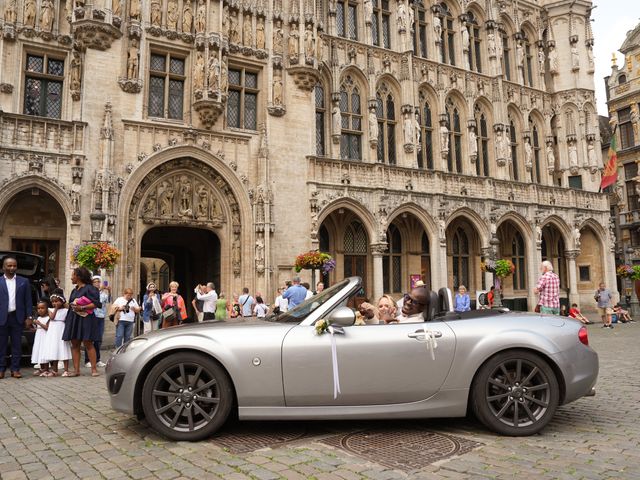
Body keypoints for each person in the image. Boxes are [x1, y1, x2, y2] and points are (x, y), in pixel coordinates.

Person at [61, 267, 101, 377]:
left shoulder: (90, 289)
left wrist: (82, 307)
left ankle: (93, 369)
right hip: (74, 318)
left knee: (88, 342)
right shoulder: (74, 290)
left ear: (78, 276)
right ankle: (76, 370)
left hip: (86, 318)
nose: (71, 278)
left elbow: (96, 303)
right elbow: (71, 304)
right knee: (75, 344)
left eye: (73, 275)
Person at [0, 256, 33, 379]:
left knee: (17, 345)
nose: (12, 267)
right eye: (9, 265)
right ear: (4, 267)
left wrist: (29, 316)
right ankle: (1, 369)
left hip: (17, 317)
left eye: (14, 265)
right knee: (1, 345)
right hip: (2, 318)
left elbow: (28, 301)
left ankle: (15, 369)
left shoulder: (23, 281)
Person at [43, 293, 71, 376]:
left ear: (61, 302)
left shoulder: (66, 310)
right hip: (53, 331)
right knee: (54, 348)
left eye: (56, 301)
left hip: (61, 329)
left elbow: (67, 320)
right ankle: (55, 370)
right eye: (53, 302)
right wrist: (55, 308)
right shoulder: (50, 309)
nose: (54, 303)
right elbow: (52, 318)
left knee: (63, 348)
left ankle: (66, 370)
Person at [85, 276, 109, 368]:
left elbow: (107, 301)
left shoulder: (103, 293)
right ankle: (88, 360)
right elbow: (95, 301)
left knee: (98, 340)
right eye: (95, 282)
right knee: (90, 339)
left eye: (98, 282)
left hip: (101, 317)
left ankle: (97, 359)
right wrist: (99, 291)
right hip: (92, 316)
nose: (97, 284)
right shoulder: (90, 292)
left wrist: (109, 291)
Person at [31, 301, 50, 376]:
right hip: (38, 337)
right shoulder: (38, 317)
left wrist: (39, 323)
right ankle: (42, 368)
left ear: (47, 309)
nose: (40, 310)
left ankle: (46, 369)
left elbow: (47, 328)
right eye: (38, 308)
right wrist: (33, 329)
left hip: (44, 337)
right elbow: (39, 328)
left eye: (42, 308)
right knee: (39, 351)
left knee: (44, 351)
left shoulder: (48, 318)